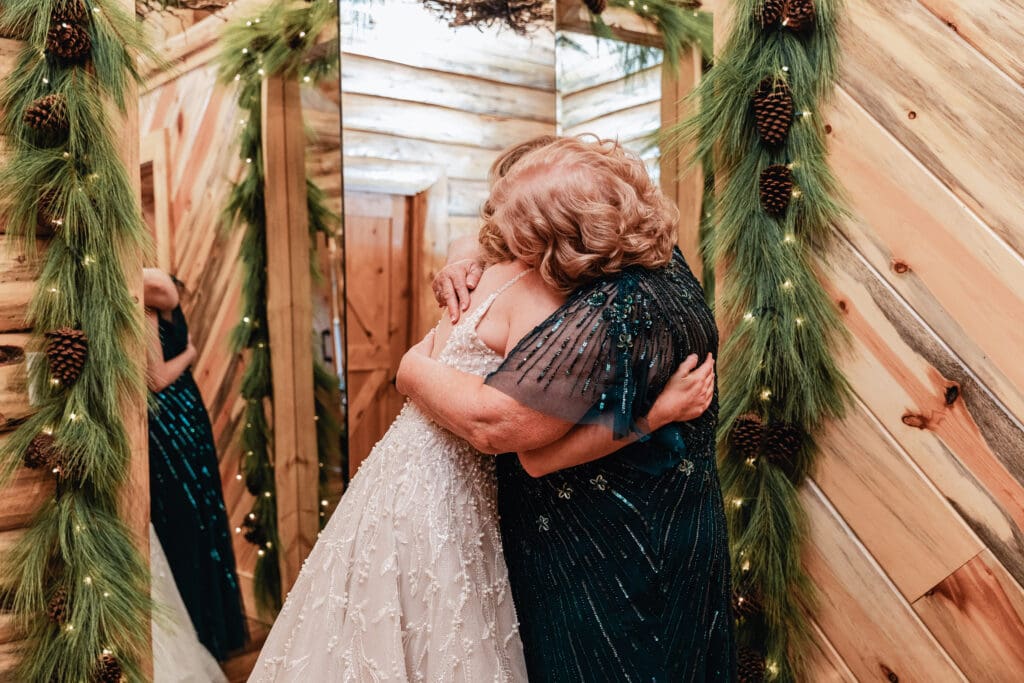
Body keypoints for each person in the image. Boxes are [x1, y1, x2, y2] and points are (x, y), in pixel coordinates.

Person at [247, 137, 715, 681]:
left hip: (400, 474)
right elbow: (525, 449)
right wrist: (652, 417)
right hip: (447, 486)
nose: (495, 222)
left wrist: (412, 365)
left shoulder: (552, 296)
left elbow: (501, 425)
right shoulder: (547, 290)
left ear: (543, 231)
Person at [399, 136, 735, 681]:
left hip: (604, 556)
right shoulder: (659, 257)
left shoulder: (606, 311)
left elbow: (503, 431)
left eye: (518, 236)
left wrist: (410, 370)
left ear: (555, 243)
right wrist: (465, 254)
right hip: (683, 527)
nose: (505, 245)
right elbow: (485, 241)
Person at [144, 268, 247, 661]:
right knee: (196, 516)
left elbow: (154, 378)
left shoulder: (148, 298)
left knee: (183, 520)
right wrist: (189, 352)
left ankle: (199, 632)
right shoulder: (155, 296)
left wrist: (184, 355)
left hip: (169, 421)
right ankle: (208, 630)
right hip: (186, 413)